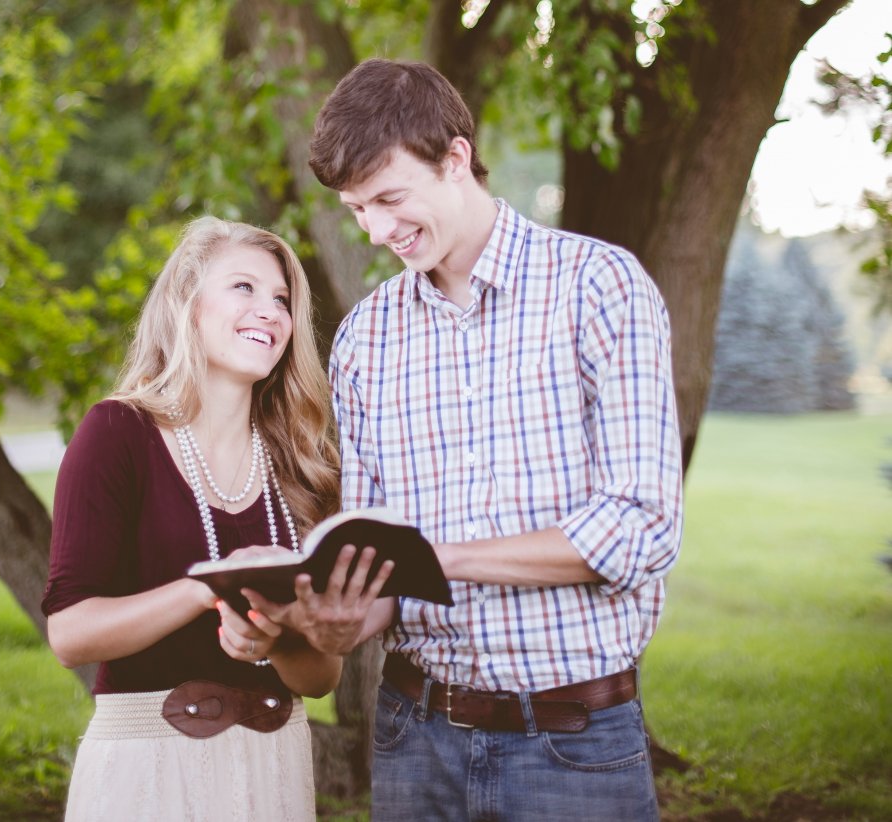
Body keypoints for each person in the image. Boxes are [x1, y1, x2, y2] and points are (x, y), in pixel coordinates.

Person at [244, 59, 684, 820]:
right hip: (415, 740)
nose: (377, 230)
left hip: (571, 744)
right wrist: (341, 616)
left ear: (453, 159)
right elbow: (380, 569)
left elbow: (640, 527)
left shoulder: (597, 285)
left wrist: (440, 562)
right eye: (356, 210)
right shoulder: (367, 339)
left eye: (388, 198)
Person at [41, 216, 342, 821]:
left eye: (282, 299)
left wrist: (272, 639)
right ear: (187, 305)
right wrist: (209, 588)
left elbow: (322, 675)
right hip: (149, 772)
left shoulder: (303, 461)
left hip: (273, 770)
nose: (270, 311)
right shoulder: (117, 433)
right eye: (244, 288)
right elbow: (70, 635)